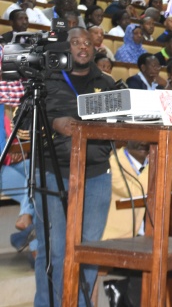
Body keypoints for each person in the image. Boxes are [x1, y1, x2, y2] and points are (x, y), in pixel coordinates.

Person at [39, 27, 115, 306]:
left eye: (87, 42)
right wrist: (54, 124)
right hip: (53, 171)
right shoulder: (47, 80)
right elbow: (27, 124)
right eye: (75, 42)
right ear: (65, 47)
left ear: (94, 48)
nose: (83, 47)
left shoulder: (106, 83)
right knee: (56, 250)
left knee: (90, 249)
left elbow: (118, 121)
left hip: (96, 175)